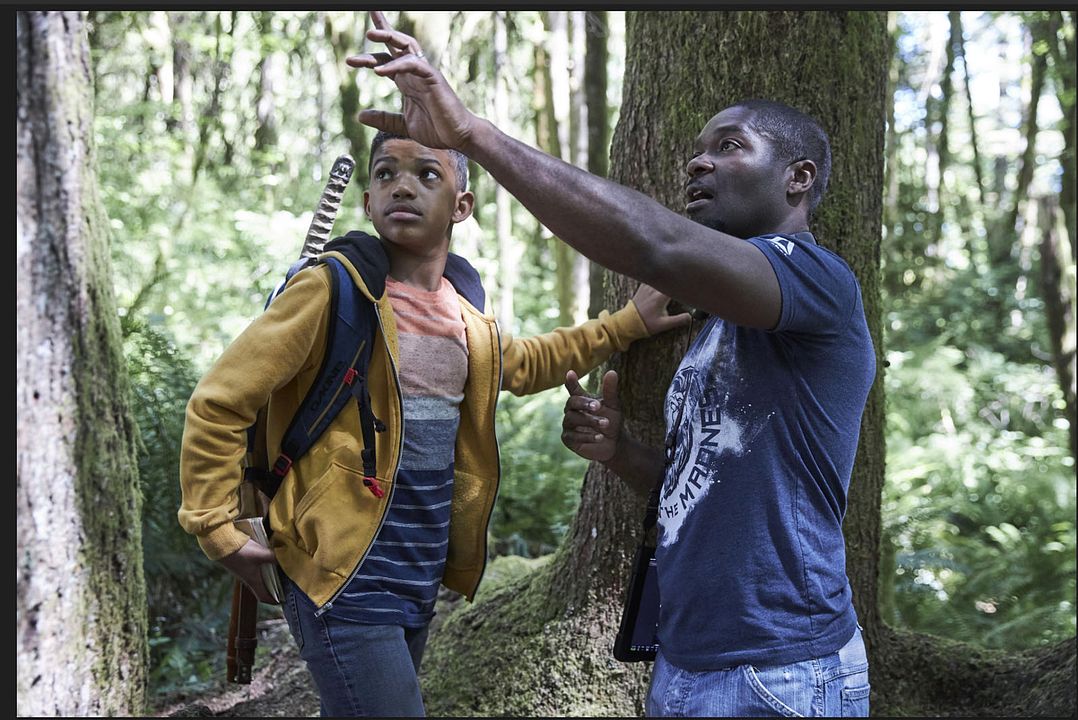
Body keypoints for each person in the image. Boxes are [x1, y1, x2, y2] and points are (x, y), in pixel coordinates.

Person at [348, 10, 875, 717]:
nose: (698, 162)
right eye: (697, 149)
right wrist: (621, 450)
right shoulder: (723, 321)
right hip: (685, 663)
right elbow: (706, 488)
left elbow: (655, 245)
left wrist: (472, 134)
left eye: (729, 146)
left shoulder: (818, 281)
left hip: (783, 670)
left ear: (798, 178)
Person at [177, 128, 690, 717]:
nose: (402, 187)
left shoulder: (464, 311)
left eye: (427, 174)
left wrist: (626, 325)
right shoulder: (330, 291)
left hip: (418, 572)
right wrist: (217, 530)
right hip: (339, 575)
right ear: (367, 202)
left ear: (461, 206)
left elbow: (521, 364)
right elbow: (219, 401)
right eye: (385, 174)